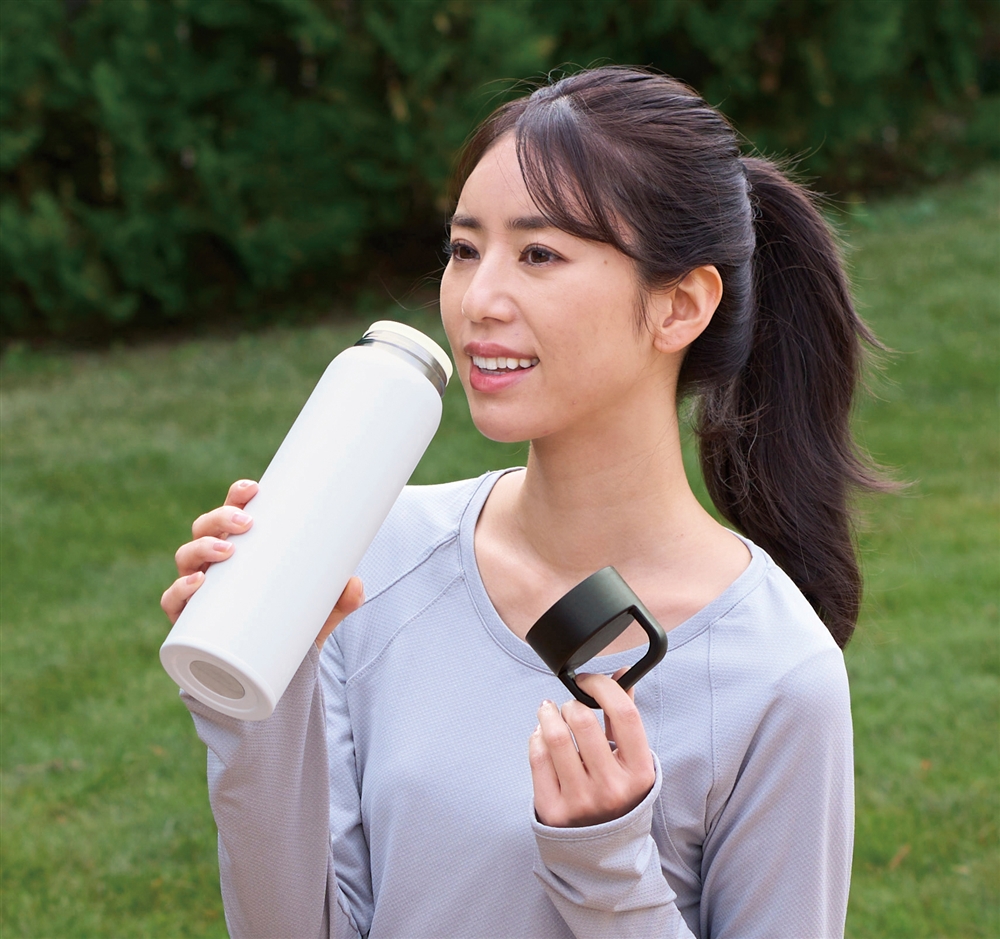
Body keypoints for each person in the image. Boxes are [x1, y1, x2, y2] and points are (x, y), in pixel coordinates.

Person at [161, 66, 886, 939]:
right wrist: (260, 700)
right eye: (465, 250)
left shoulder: (778, 672)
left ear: (680, 305)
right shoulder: (372, 553)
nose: (477, 301)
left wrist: (608, 866)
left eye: (539, 254)